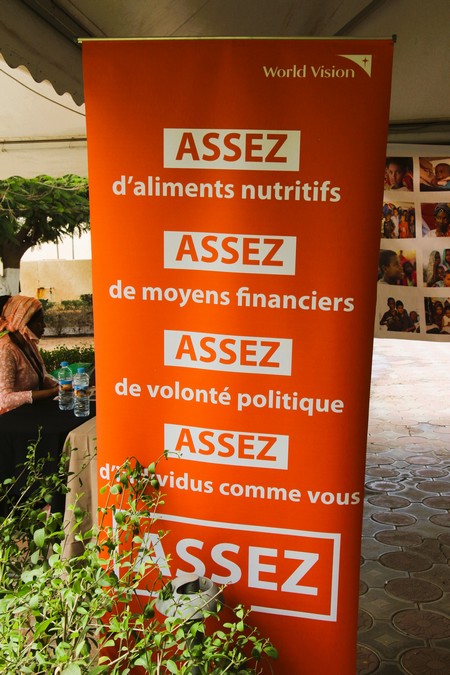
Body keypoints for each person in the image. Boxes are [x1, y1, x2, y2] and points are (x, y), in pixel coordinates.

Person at [0, 296, 58, 415]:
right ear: (23, 323)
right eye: (39, 322)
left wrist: (65, 385)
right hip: (9, 419)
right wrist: (53, 392)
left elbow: (41, 376)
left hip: (29, 412)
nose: (44, 326)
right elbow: (4, 400)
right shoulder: (6, 349)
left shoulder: (28, 342)